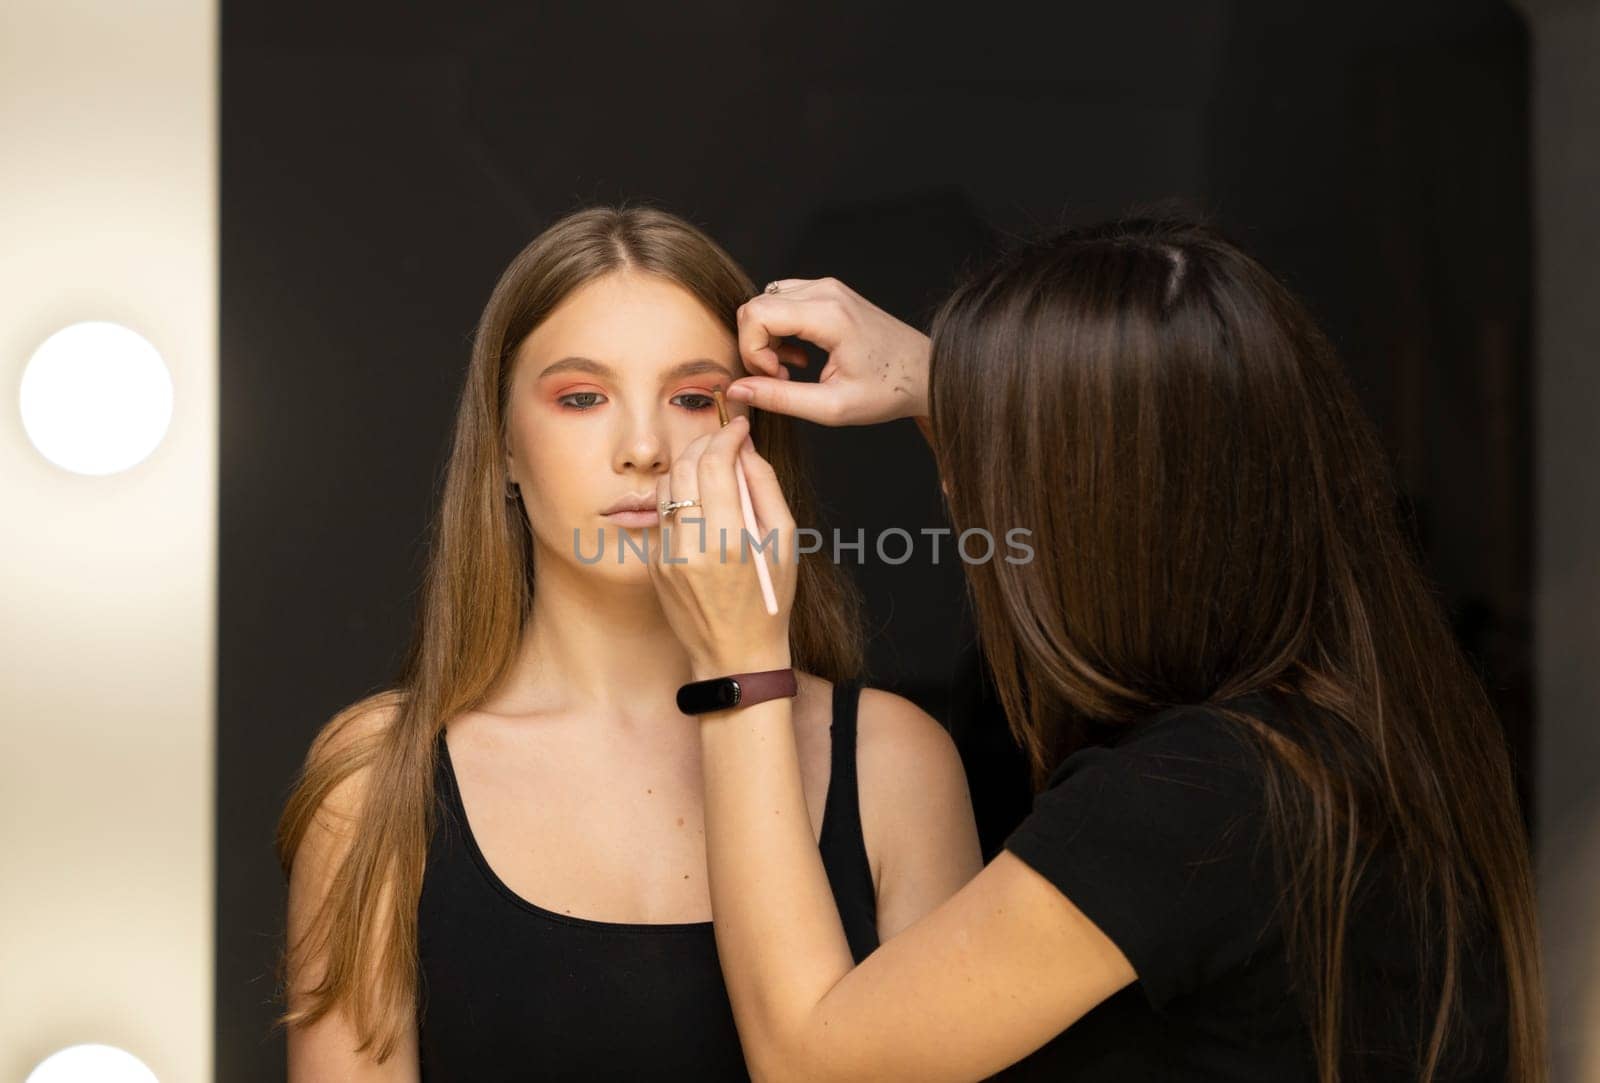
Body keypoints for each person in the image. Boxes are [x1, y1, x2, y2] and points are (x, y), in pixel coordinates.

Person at [646, 215, 1546, 1081]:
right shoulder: (1339, 734)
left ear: (1104, 516)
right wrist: (952, 376)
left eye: (995, 465)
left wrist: (740, 661)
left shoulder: (1194, 801)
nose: (959, 494)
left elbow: (814, 1061)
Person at [271, 206, 983, 1080]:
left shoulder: (896, 762)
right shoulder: (379, 784)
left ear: (752, 430)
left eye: (693, 399)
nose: (644, 448)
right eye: (581, 397)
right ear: (501, 446)